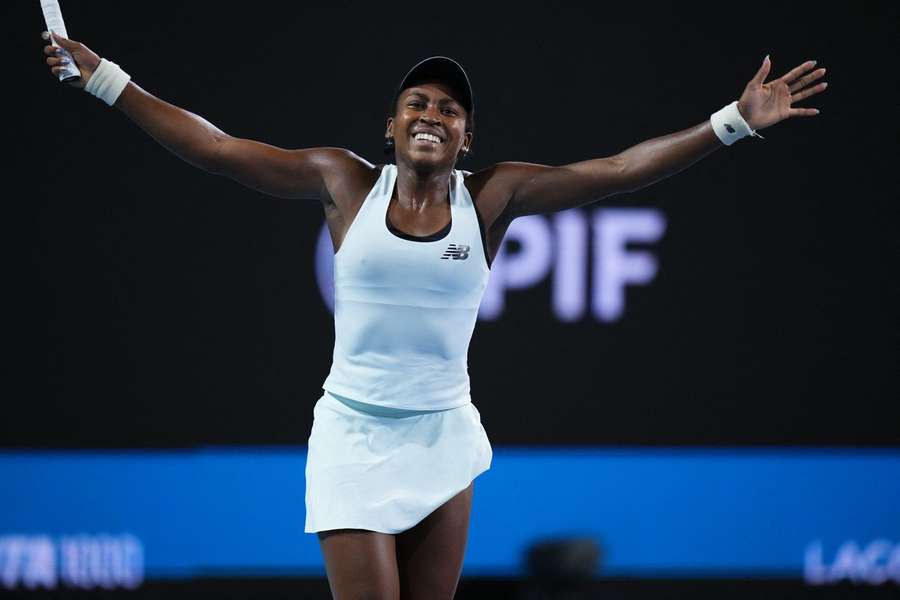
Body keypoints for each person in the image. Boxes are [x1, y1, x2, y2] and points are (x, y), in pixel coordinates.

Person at [42, 30, 826, 599]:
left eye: (449, 109)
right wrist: (107, 78)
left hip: (443, 436)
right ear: (391, 127)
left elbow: (617, 170)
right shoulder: (344, 182)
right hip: (351, 438)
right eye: (416, 102)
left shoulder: (494, 196)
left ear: (465, 135)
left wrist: (732, 122)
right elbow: (214, 148)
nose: (431, 113)